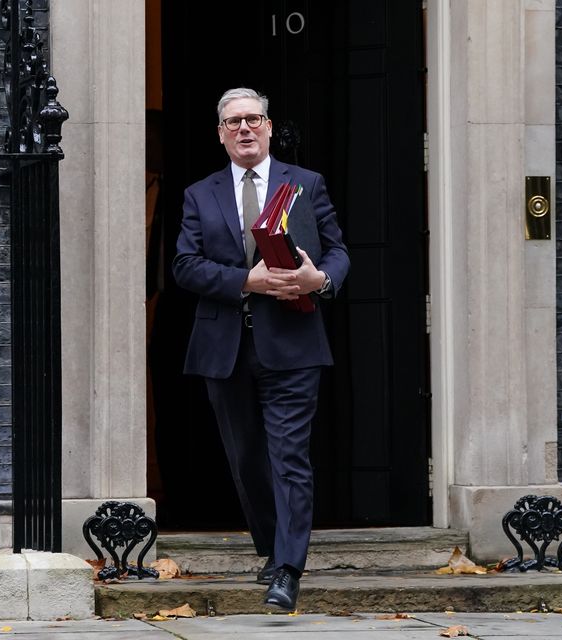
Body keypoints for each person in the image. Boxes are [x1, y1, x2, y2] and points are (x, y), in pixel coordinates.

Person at [173, 87, 350, 611]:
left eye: (253, 119)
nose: (244, 129)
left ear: (269, 126)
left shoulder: (306, 184)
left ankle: (289, 569)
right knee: (247, 458)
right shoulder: (199, 194)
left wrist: (320, 279)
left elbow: (338, 251)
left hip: (293, 343)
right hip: (225, 347)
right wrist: (244, 281)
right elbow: (184, 265)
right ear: (221, 134)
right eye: (234, 123)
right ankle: (274, 551)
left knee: (289, 456)